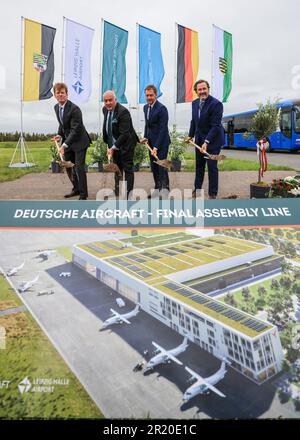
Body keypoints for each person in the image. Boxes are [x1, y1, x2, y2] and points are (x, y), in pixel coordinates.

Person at [53, 83, 91, 200]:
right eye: (58, 93)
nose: (60, 95)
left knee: (79, 167)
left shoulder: (74, 109)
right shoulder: (56, 107)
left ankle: (83, 194)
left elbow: (75, 130)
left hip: (80, 141)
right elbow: (62, 124)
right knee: (68, 166)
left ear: (67, 94)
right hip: (69, 142)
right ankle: (76, 189)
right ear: (55, 95)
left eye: (62, 92)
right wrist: (59, 135)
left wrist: (64, 145)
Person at [187, 79, 225, 199]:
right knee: (199, 166)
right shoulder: (194, 103)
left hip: (213, 141)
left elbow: (215, 126)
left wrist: (206, 142)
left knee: (212, 167)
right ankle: (197, 189)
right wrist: (190, 135)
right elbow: (194, 121)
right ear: (196, 91)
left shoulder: (216, 104)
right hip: (199, 140)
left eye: (204, 88)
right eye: (200, 89)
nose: (202, 91)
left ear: (208, 89)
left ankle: (212, 193)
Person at [102, 90, 139, 199]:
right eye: (106, 101)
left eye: (110, 100)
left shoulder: (123, 112)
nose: (108, 103)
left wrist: (113, 147)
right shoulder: (104, 110)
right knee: (117, 168)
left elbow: (125, 133)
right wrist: (109, 143)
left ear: (115, 100)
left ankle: (129, 194)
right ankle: (117, 190)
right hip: (114, 144)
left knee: (127, 169)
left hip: (126, 144)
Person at [141, 85, 170, 198]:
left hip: (161, 143)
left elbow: (163, 130)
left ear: (155, 95)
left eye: (151, 95)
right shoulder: (145, 108)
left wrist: (156, 147)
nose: (149, 97)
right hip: (150, 143)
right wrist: (145, 138)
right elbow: (147, 125)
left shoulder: (162, 109)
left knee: (161, 167)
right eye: (147, 95)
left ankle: (165, 191)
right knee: (154, 168)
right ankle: (158, 190)